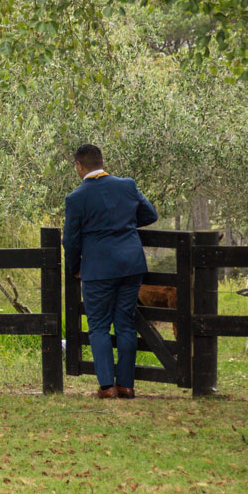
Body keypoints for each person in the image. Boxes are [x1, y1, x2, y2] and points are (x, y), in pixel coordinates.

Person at [62, 144, 158, 399]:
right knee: (125, 324)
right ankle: (126, 385)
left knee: (98, 327)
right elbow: (150, 214)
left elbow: (70, 240)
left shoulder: (76, 198)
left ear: (79, 166)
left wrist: (74, 268)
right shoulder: (127, 185)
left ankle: (107, 387)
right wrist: (123, 223)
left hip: (97, 269)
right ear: (102, 162)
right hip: (130, 265)